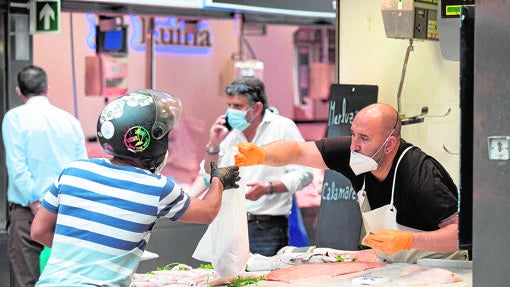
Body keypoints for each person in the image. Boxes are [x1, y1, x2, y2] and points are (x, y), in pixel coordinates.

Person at [30, 89, 241, 286]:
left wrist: (86, 259)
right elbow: (207, 212)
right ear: (151, 141)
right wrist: (219, 180)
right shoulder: (156, 187)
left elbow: (39, 231)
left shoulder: (73, 172)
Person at [235, 103, 468, 263]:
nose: (354, 145)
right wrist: (262, 153)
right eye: (353, 134)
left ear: (389, 145)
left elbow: (461, 234)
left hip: (441, 269)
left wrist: (408, 240)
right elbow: (297, 150)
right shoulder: (355, 153)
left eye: (364, 138)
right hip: (400, 268)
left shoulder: (420, 173)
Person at [200, 76, 313, 256]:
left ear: (257, 108)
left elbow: (305, 172)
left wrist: (269, 188)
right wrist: (213, 145)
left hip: (267, 228)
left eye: (238, 106)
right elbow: (210, 177)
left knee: (263, 281)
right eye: (229, 105)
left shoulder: (282, 127)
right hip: (231, 226)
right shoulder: (231, 134)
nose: (231, 112)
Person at [2, 65, 88, 287]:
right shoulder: (70, 121)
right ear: (47, 89)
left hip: (27, 214)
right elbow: (82, 168)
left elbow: (18, 168)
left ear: (19, 91)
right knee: (67, 280)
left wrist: (36, 205)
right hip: (66, 211)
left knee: (28, 281)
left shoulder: (14, 118)